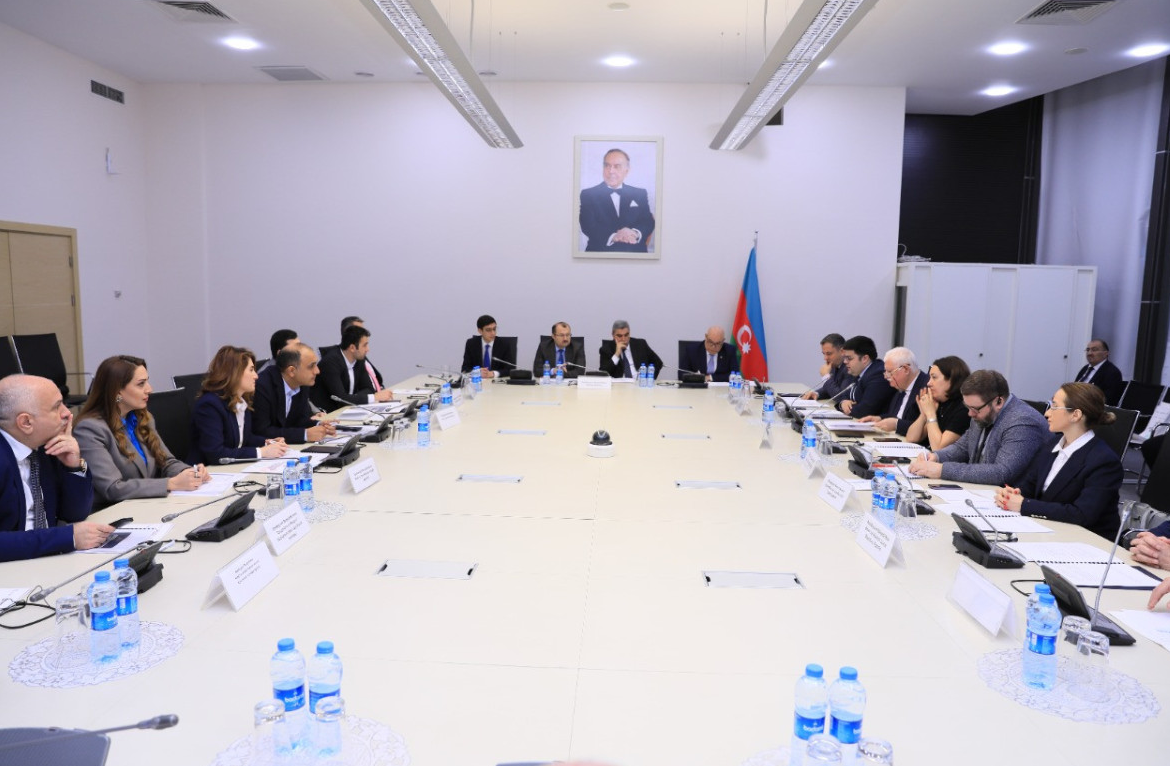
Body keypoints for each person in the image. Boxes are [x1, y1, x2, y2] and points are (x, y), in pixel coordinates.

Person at [75, 355, 210, 510]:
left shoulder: (143, 418)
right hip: (112, 512)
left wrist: (190, 473)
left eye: (147, 381)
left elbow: (167, 463)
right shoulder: (89, 429)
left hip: (145, 506)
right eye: (141, 384)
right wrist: (170, 483)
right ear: (117, 392)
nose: (149, 389)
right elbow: (112, 488)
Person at [993, 383, 1124, 540]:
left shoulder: (1104, 461)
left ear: (1075, 415)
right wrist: (1012, 494)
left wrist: (1023, 505)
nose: (1047, 413)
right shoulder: (1052, 444)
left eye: (1055, 407)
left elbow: (1081, 514)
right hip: (1049, 530)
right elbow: (1030, 485)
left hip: (1084, 541)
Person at [0, 374, 106, 561]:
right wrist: (66, 538)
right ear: (26, 422)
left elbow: (75, 513)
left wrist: (73, 465)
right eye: (57, 407)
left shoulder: (45, 446)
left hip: (45, 561)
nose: (67, 414)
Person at [908, 369, 1048, 485]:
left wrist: (941, 470)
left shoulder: (1023, 422)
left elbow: (1001, 473)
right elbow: (962, 447)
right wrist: (936, 457)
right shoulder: (982, 411)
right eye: (967, 407)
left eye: (975, 409)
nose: (970, 414)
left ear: (998, 401)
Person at [190, 346, 288, 465]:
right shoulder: (209, 405)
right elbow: (216, 454)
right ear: (235, 373)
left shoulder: (240, 401)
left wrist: (267, 442)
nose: (256, 376)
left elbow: (243, 439)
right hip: (206, 471)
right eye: (251, 370)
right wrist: (262, 452)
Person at [252, 344, 337, 444]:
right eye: (311, 366)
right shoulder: (263, 386)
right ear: (291, 371)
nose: (317, 371)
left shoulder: (301, 383)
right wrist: (304, 435)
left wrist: (318, 425)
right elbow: (262, 431)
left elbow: (299, 421)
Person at [578, 148, 655, 253]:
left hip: (635, 253)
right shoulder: (588, 194)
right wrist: (614, 236)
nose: (611, 171)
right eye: (607, 166)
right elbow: (587, 224)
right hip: (600, 253)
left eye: (617, 166)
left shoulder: (640, 193)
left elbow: (647, 221)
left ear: (626, 171)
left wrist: (634, 232)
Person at [312, 324, 395, 409]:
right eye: (364, 345)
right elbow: (341, 399)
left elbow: (369, 389)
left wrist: (352, 398)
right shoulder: (330, 363)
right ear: (352, 348)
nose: (367, 349)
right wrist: (374, 397)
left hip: (348, 409)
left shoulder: (359, 359)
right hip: (328, 413)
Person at [904, 356, 971, 450]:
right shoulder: (939, 403)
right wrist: (924, 414)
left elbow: (938, 448)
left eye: (934, 377)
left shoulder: (964, 408)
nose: (928, 383)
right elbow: (911, 438)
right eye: (930, 378)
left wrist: (931, 414)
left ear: (952, 379)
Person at [859, 347, 928, 435]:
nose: (886, 376)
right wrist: (879, 418)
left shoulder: (926, 387)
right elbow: (897, 415)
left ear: (906, 369)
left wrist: (897, 425)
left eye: (890, 372)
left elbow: (925, 427)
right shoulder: (901, 386)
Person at [836, 335, 893, 418]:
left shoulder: (879, 375)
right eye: (844, 358)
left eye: (849, 358)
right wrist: (843, 402)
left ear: (865, 359)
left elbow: (864, 411)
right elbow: (844, 394)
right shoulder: (856, 371)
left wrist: (845, 408)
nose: (845, 362)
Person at [599, 320, 663, 379]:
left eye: (626, 335)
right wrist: (617, 354)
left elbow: (658, 363)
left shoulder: (640, 344)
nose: (623, 339)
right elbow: (603, 373)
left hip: (639, 383)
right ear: (613, 335)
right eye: (619, 336)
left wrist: (648, 379)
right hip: (619, 385)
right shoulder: (606, 349)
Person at [800, 333, 854, 400]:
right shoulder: (834, 366)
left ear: (842, 351)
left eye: (829, 354)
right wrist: (816, 393)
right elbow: (830, 388)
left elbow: (842, 397)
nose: (825, 358)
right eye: (824, 354)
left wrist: (826, 377)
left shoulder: (849, 368)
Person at [461, 315, 516, 379]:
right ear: (480, 331)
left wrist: (493, 373)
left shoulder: (504, 344)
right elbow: (464, 369)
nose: (493, 333)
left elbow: (510, 369)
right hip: (478, 382)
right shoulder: (471, 344)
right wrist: (476, 372)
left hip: (497, 382)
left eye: (494, 329)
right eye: (488, 330)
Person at [1074, 339, 1124, 405]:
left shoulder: (1112, 372)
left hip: (1092, 408)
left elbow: (1108, 399)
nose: (1089, 353)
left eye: (1094, 350)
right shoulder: (1085, 369)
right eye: (1088, 350)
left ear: (1106, 353)